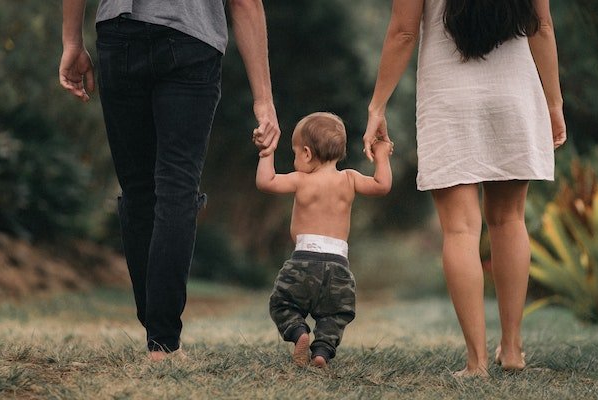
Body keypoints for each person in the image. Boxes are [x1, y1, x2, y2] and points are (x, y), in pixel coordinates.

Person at [59, 0, 281, 361]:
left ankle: (157, 334)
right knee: (177, 187)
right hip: (192, 38)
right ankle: (162, 342)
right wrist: (264, 100)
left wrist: (72, 41)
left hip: (121, 32)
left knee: (138, 190)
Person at [363, 0, 567, 377]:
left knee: (460, 229)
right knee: (509, 220)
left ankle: (477, 363)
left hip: (449, 98)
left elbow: (403, 32)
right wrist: (554, 103)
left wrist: (377, 106)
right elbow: (542, 26)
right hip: (514, 94)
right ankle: (512, 349)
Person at [255, 112, 392, 367]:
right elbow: (382, 185)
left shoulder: (301, 180)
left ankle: (299, 332)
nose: (295, 159)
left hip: (303, 261)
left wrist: (267, 151)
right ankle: (321, 353)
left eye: (295, 153)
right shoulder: (350, 178)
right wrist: (381, 154)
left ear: (307, 153)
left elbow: (266, 182)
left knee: (283, 303)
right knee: (335, 315)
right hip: (338, 267)